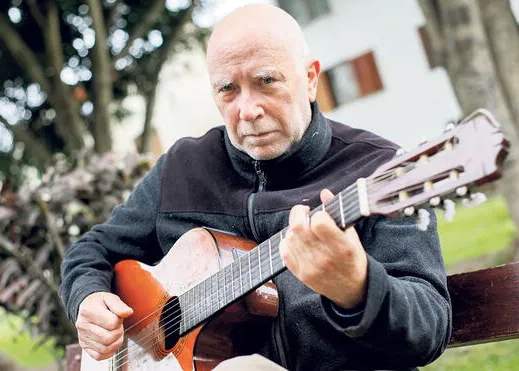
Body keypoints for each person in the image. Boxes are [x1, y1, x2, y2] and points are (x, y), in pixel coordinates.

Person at [60, 4, 451, 370]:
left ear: (310, 79)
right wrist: (88, 297)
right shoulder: (182, 168)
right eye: (228, 89)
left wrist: (359, 289)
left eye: (266, 81)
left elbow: (429, 327)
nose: (247, 110)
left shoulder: (378, 170)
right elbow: (92, 251)